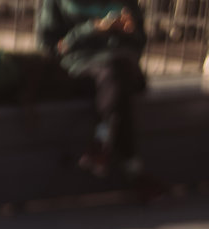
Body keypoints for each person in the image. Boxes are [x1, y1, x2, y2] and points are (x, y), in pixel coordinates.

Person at [37, 0, 147, 180]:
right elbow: (49, 47)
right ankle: (130, 165)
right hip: (80, 66)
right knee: (114, 76)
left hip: (121, 65)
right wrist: (93, 28)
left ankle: (103, 143)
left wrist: (128, 31)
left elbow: (140, 42)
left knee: (116, 70)